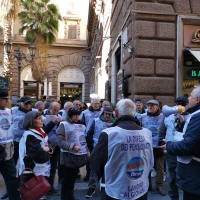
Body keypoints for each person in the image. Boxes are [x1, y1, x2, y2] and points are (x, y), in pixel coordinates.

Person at [90, 99, 154, 200]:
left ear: (115, 113)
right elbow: (150, 163)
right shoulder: (147, 133)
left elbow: (95, 164)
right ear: (134, 113)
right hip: (140, 189)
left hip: (115, 191)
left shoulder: (109, 134)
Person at [162, 85, 200, 200]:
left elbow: (188, 145)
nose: (188, 99)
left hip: (194, 177)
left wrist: (169, 146)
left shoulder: (197, 117)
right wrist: (183, 124)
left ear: (198, 99)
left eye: (190, 96)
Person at [159, 96, 189, 200]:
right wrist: (160, 143)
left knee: (185, 177)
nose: (180, 106)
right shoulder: (167, 116)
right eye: (177, 103)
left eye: (183, 104)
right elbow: (162, 130)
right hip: (170, 150)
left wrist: (183, 123)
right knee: (171, 176)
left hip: (185, 152)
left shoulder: (192, 117)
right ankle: (174, 197)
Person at [19, 111, 53, 200]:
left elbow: (49, 145)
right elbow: (40, 157)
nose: (42, 120)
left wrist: (48, 149)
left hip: (40, 170)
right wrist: (49, 150)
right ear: (32, 121)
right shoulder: (30, 135)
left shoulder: (40, 131)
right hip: (32, 172)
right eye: (39, 118)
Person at [57, 108, 89, 200]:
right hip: (68, 155)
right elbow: (59, 141)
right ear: (70, 116)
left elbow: (83, 140)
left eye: (77, 115)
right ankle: (64, 196)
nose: (76, 117)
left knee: (73, 177)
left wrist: (87, 151)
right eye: (74, 115)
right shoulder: (63, 124)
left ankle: (70, 196)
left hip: (78, 155)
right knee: (67, 178)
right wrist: (72, 146)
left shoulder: (81, 125)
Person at [85, 106, 116, 198]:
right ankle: (92, 188)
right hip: (97, 148)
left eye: (109, 114)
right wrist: (91, 147)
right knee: (94, 169)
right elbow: (89, 134)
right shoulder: (96, 121)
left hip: (110, 148)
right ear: (103, 113)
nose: (107, 116)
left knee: (109, 168)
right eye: (106, 114)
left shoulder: (115, 123)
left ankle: (108, 187)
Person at [140, 100, 165, 196]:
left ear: (158, 107)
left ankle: (160, 185)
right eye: (148, 105)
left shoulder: (163, 116)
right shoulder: (142, 117)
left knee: (160, 167)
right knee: (147, 166)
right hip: (147, 146)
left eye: (152, 106)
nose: (150, 107)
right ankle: (148, 184)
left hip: (159, 145)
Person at [0, 91, 21, 200]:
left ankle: (15, 197)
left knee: (12, 176)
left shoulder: (9, 111)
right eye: (4, 99)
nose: (7, 101)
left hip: (7, 148)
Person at [42, 102, 61, 195]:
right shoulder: (42, 117)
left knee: (53, 167)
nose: (56, 112)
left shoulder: (59, 117)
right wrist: (52, 123)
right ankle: (42, 187)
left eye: (58, 110)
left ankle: (50, 186)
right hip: (45, 146)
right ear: (49, 108)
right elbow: (43, 131)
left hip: (56, 145)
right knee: (44, 167)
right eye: (54, 110)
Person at [12, 96, 37, 165]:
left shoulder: (34, 112)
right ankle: (13, 175)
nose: (28, 105)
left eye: (29, 103)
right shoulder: (13, 110)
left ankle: (23, 175)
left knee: (26, 161)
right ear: (20, 103)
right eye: (26, 103)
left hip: (29, 140)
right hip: (16, 140)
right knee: (14, 159)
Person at [81, 98, 102, 182]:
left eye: (98, 103)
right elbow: (82, 123)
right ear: (91, 104)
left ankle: (98, 174)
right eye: (94, 103)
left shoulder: (102, 112)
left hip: (99, 137)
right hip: (89, 136)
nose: (96, 105)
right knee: (89, 157)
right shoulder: (85, 113)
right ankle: (88, 174)